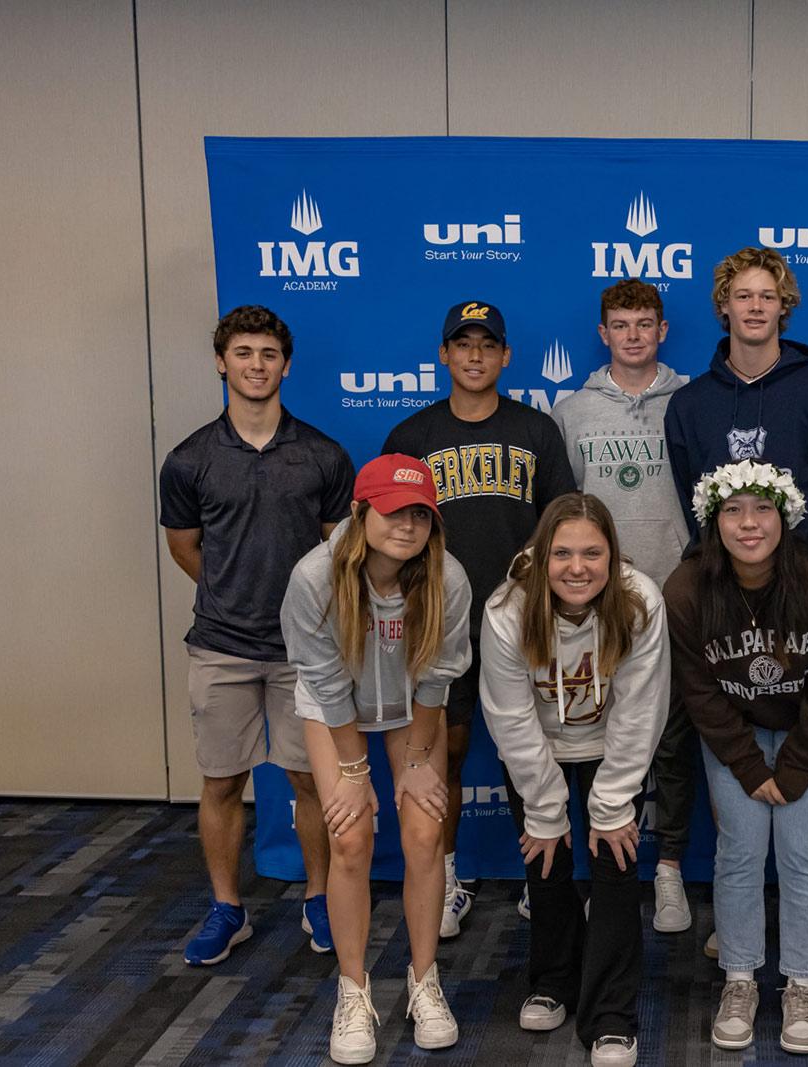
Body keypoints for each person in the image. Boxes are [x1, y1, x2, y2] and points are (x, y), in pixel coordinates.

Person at [664, 246, 808, 970]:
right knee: (732, 766)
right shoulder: (690, 403)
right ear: (723, 306)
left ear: (785, 306)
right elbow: (695, 507)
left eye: (767, 295)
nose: (754, 307)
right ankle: (739, 912)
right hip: (725, 602)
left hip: (802, 605)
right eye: (741, 295)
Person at [159, 304, 353, 966]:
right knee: (219, 782)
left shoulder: (324, 455)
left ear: (285, 365)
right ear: (221, 362)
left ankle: (319, 897)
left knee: (311, 782)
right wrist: (230, 590)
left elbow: (341, 552)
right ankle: (226, 907)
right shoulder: (190, 460)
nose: (256, 365)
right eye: (242, 353)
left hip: (304, 653)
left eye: (268, 354)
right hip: (219, 646)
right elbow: (185, 545)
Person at [381, 299, 575, 936]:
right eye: (462, 345)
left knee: (535, 754)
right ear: (443, 355)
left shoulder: (536, 431)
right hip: (439, 622)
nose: (474, 356)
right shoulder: (414, 438)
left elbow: (561, 523)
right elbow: (387, 533)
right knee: (448, 753)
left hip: (523, 621)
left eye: (486, 345)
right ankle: (449, 876)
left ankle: (538, 874)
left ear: (505, 355)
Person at [280, 454, 473, 1064]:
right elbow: (326, 683)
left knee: (423, 832)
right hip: (334, 710)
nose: (408, 525)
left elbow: (439, 674)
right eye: (393, 510)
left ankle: (424, 981)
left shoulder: (448, 577)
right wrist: (356, 772)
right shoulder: (314, 576)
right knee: (351, 839)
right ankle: (354, 990)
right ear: (361, 512)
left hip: (410, 706)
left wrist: (416, 758)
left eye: (420, 513)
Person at [665, 461, 808, 1055]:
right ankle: (741, 979)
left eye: (763, 509)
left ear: (786, 517)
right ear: (711, 521)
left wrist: (794, 770)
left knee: (800, 850)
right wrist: (749, 767)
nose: (749, 524)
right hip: (735, 730)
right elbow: (697, 689)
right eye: (732, 511)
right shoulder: (687, 587)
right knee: (741, 849)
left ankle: (801, 983)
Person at [479, 493, 669, 1067]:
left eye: (592, 552)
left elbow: (641, 712)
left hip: (612, 744)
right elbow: (510, 716)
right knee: (546, 862)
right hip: (538, 747)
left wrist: (611, 805)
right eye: (562, 553)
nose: (577, 567)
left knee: (615, 861)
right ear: (542, 555)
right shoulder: (508, 608)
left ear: (613, 556)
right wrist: (545, 808)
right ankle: (554, 979)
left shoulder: (640, 602)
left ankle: (611, 1015)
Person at [550, 279, 693, 935]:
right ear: (602, 333)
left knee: (671, 742)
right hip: (595, 604)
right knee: (591, 741)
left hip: (678, 594)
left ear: (662, 331)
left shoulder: (691, 400)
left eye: (645, 323)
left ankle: (666, 870)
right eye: (620, 324)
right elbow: (562, 511)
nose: (633, 334)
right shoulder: (572, 410)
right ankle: (590, 875)